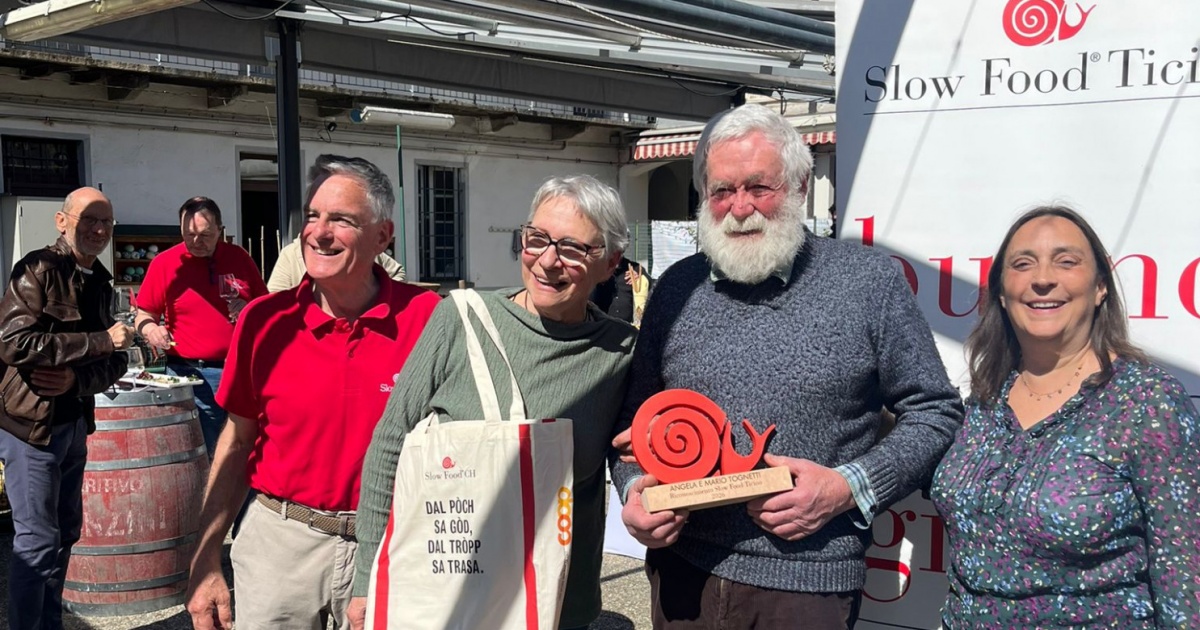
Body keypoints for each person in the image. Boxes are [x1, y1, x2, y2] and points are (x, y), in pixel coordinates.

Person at [610, 103, 964, 629]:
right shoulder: (677, 288)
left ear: (799, 187)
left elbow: (936, 412)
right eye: (722, 191)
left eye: (759, 187)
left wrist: (847, 487)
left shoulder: (867, 281)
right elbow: (632, 424)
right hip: (683, 576)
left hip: (807, 586)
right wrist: (634, 490)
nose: (739, 208)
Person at [348, 174, 638, 630]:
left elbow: (628, 452)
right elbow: (390, 444)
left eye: (572, 248)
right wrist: (368, 574)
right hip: (451, 596)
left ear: (611, 262)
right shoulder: (459, 320)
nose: (547, 261)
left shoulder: (620, 352)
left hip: (558, 603)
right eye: (537, 239)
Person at [184, 155, 440, 630]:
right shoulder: (264, 322)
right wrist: (206, 558)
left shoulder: (427, 318)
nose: (319, 233)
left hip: (390, 544)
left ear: (382, 236)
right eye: (312, 216)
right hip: (280, 542)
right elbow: (236, 443)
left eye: (341, 219)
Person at [930, 206, 1200, 628]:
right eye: (1023, 264)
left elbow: (1185, 581)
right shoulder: (987, 398)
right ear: (1001, 292)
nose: (1042, 279)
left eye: (1066, 261)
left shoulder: (1148, 403)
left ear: (1100, 287)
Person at [0, 187, 133, 630]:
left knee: (63, 536)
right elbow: (13, 343)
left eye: (106, 221)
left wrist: (76, 380)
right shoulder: (37, 269)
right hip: (30, 428)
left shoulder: (100, 282)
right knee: (37, 542)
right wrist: (96, 342)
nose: (98, 229)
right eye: (88, 219)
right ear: (62, 222)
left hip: (74, 424)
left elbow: (115, 361)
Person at [134, 197, 267, 456]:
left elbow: (265, 307)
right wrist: (151, 329)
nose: (197, 241)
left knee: (246, 449)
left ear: (220, 229)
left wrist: (248, 307)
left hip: (241, 370)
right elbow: (143, 315)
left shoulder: (239, 257)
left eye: (205, 235)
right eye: (189, 234)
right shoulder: (165, 263)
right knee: (205, 453)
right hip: (190, 373)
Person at [267, 233, 405, 292]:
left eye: (338, 219)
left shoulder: (362, 249)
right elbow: (276, 302)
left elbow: (397, 273)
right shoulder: (291, 254)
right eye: (313, 216)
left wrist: (381, 299)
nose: (322, 232)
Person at [591, 255, 651, 327]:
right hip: (602, 325)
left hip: (628, 326)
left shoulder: (635, 268)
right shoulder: (597, 268)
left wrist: (640, 278)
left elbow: (651, 287)